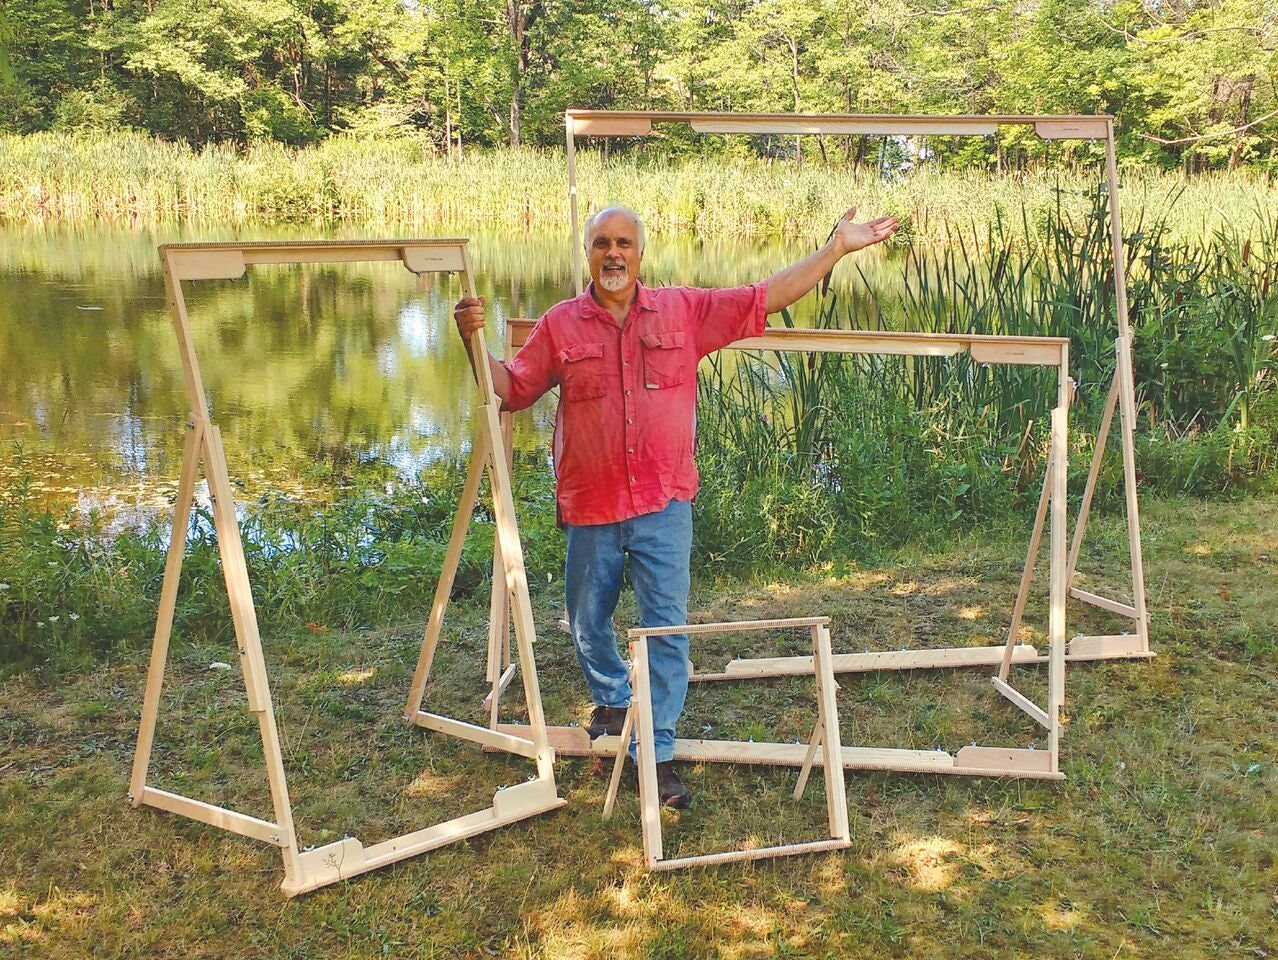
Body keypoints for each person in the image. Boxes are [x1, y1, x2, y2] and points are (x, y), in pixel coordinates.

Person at [454, 204, 899, 808]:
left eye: (625, 244)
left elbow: (765, 298)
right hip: (591, 505)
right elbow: (511, 389)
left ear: (641, 253)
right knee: (586, 621)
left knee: (666, 629)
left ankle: (655, 753)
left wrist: (836, 248)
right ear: (587, 252)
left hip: (664, 503)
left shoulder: (684, 311)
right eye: (602, 244)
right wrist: (473, 342)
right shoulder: (561, 325)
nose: (614, 254)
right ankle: (615, 699)